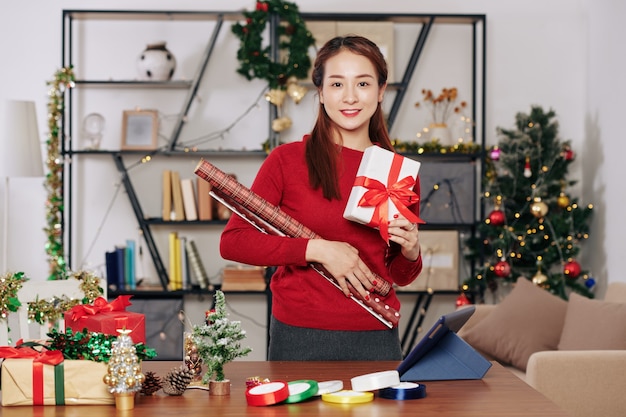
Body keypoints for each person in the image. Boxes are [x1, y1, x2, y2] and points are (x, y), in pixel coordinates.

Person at [220, 35, 422, 361]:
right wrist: (318, 249)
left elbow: (399, 275)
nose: (351, 97)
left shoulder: (396, 172)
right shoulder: (286, 160)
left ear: (381, 91)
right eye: (338, 84)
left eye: (363, 83)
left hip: (377, 334)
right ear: (322, 92)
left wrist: (411, 251)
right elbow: (234, 242)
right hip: (300, 336)